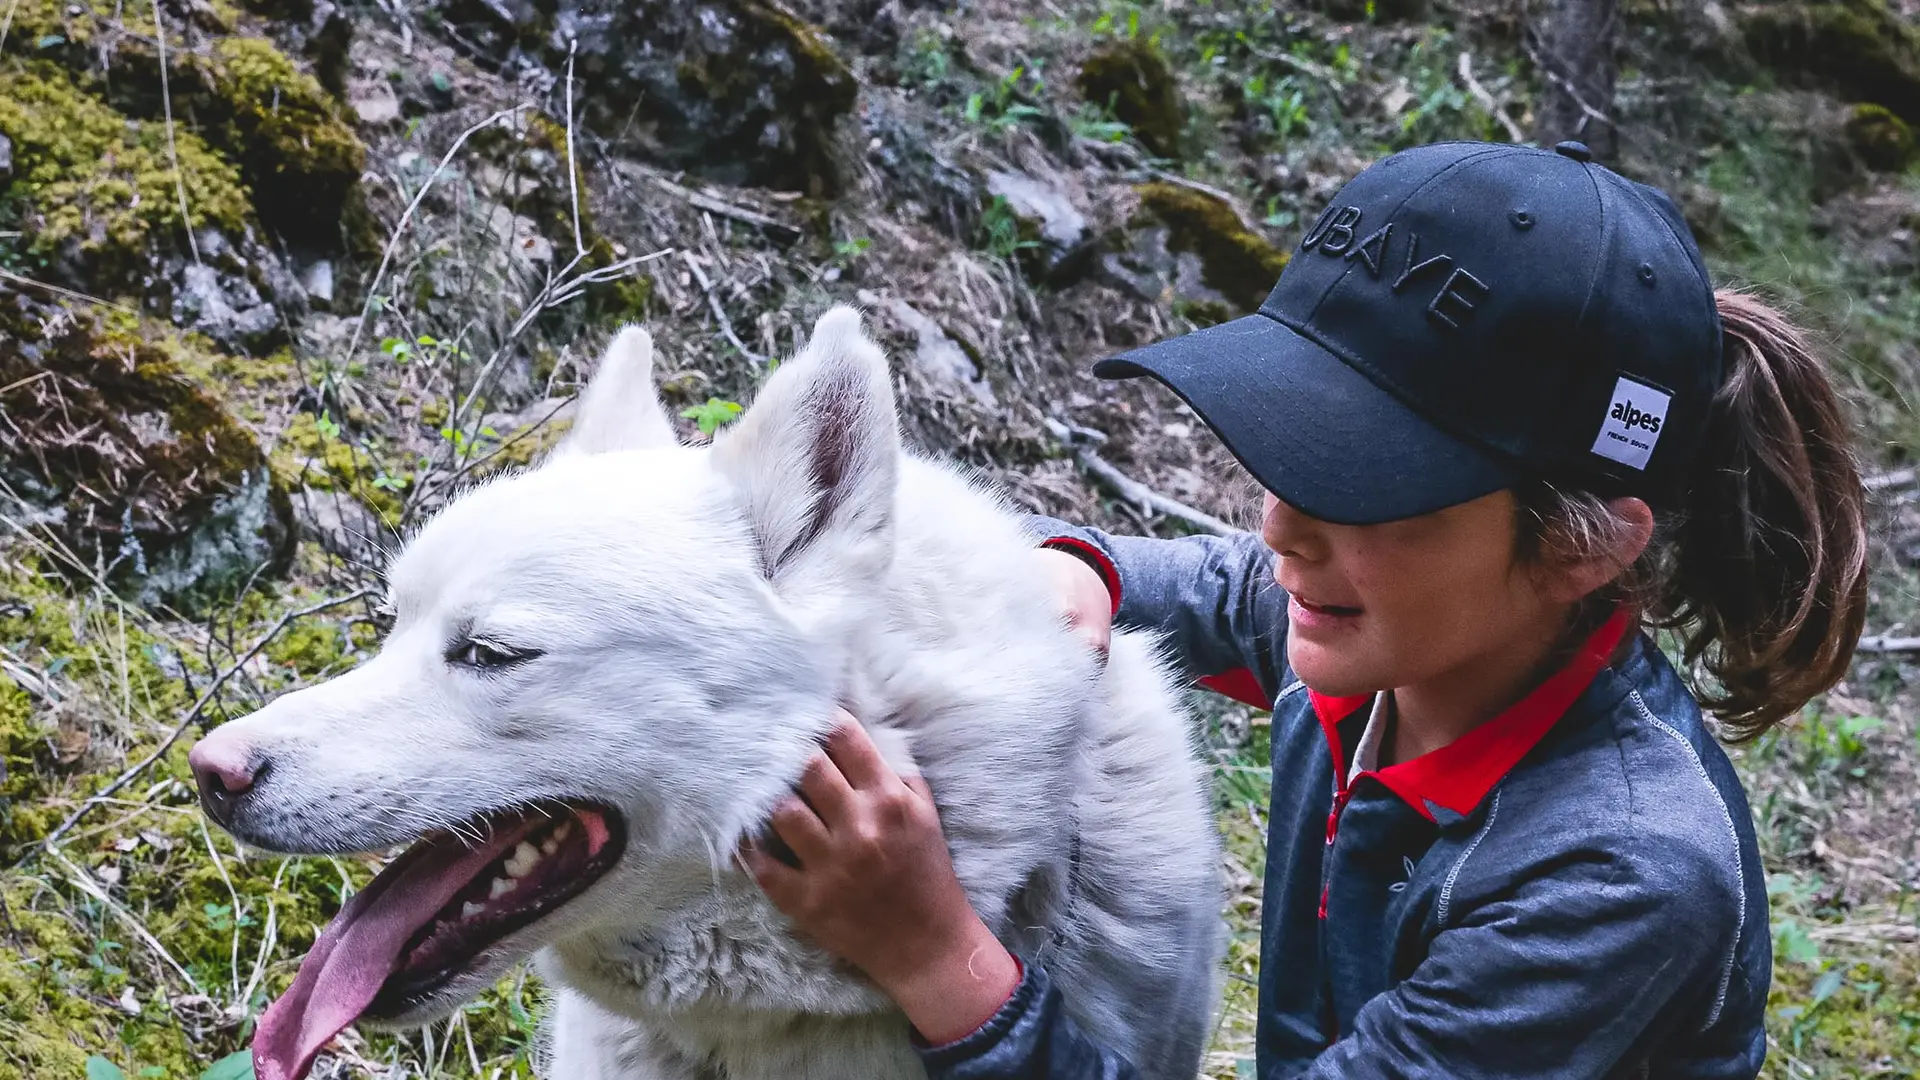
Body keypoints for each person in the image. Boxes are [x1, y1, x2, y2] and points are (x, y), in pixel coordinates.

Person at [736, 139, 1871, 1078]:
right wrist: (1084, 571)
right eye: (1291, 445)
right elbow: (1212, 583)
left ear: (1583, 549)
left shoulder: (1619, 872)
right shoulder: (1392, 635)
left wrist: (935, 953)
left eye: (1371, 487)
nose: (1282, 526)